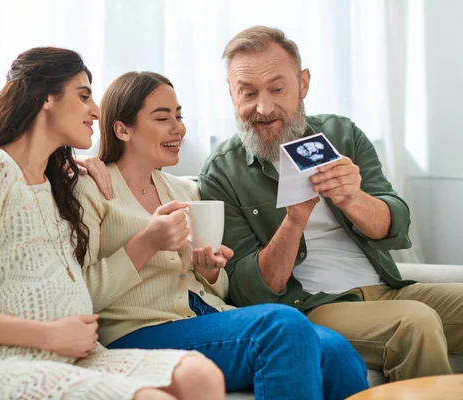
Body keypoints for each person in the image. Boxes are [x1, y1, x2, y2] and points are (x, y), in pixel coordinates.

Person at [0, 47, 226, 400]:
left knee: (201, 375)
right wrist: (50, 335)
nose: (96, 110)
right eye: (83, 95)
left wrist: (76, 163)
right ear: (45, 97)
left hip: (73, 357)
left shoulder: (56, 182)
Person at [76, 70, 369, 400]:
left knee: (335, 349)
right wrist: (146, 244)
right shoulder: (90, 188)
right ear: (122, 129)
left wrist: (209, 270)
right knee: (281, 326)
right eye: (162, 118)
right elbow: (79, 294)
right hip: (136, 332)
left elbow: (215, 286)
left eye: (179, 115)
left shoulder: (185, 189)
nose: (178, 128)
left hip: (205, 317)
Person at [198, 25, 463, 381]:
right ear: (231, 94)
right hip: (311, 306)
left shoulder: (340, 135)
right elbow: (248, 291)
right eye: (248, 93)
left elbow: (396, 227)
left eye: (277, 89)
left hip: (385, 289)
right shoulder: (222, 172)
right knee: (416, 323)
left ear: (303, 83)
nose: (262, 107)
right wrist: (294, 222)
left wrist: (353, 198)